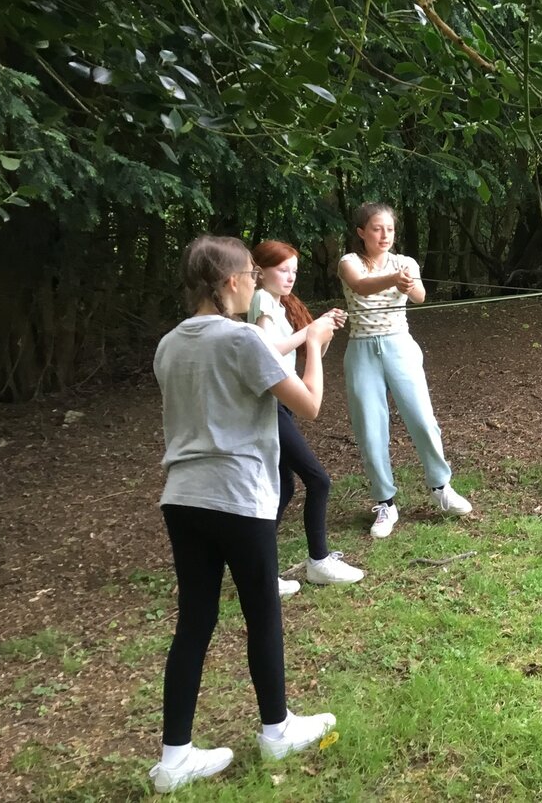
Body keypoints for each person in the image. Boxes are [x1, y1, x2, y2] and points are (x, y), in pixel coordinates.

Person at [148, 236, 339, 793]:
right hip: (238, 495)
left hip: (182, 498)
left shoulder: (168, 345)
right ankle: (277, 730)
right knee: (262, 612)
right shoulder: (244, 338)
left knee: (194, 621)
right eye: (251, 275)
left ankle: (174, 758)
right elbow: (309, 405)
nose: (255, 282)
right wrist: (314, 345)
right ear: (231, 282)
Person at [337, 203, 473, 539]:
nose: (384, 235)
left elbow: (420, 297)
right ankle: (385, 502)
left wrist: (408, 284)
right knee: (371, 429)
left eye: (390, 229)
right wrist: (392, 280)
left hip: (399, 345)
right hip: (362, 349)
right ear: (361, 232)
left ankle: (441, 488)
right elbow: (360, 286)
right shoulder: (349, 262)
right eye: (376, 229)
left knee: (422, 419)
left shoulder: (406, 263)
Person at [249, 240, 364, 588]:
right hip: (269, 406)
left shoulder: (282, 306)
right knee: (318, 480)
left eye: (294, 271)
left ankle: (260, 571)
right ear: (260, 272)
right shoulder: (261, 299)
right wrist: (309, 333)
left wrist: (323, 333)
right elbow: (269, 350)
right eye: (283, 270)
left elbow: (307, 354)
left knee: (284, 488)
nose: (290, 277)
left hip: (281, 404)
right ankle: (318, 561)